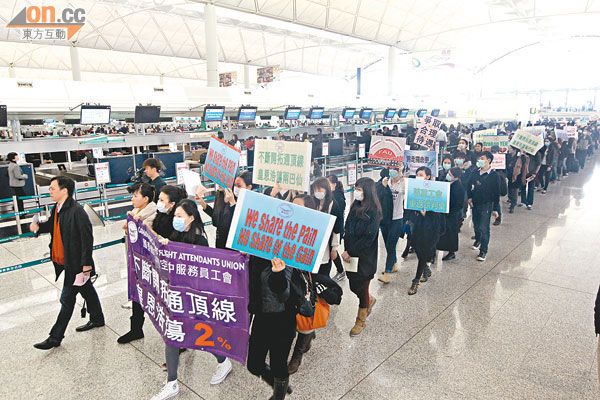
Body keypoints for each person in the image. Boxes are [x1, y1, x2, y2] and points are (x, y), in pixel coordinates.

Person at [151, 199, 232, 400]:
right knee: (172, 336)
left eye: (179, 216)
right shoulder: (176, 234)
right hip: (177, 294)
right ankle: (172, 382)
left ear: (191, 218)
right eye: (175, 216)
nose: (176, 220)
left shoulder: (199, 240)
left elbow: (204, 272)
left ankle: (223, 360)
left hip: (193, 298)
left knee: (202, 335)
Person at [31, 176, 105, 350]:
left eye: (52, 188)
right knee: (86, 289)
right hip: (65, 259)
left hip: (76, 263)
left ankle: (55, 338)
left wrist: (86, 264)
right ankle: (97, 318)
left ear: (64, 190)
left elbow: (87, 238)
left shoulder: (77, 211)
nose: (50, 191)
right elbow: (52, 226)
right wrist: (38, 228)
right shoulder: (57, 208)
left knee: (67, 299)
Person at [247, 199, 310, 399]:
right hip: (262, 315)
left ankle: (279, 393)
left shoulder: (287, 255)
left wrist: (277, 273)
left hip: (283, 319)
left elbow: (283, 295)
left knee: (278, 365)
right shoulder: (256, 252)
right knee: (254, 364)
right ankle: (279, 384)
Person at [117, 183, 158, 344]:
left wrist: (137, 224)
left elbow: (151, 236)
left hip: (151, 264)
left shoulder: (153, 214)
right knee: (137, 295)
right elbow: (127, 230)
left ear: (146, 199)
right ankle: (136, 329)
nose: (132, 199)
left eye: (135, 196)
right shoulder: (135, 212)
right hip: (137, 262)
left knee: (158, 299)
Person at [341, 177, 382, 336]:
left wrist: (351, 251)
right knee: (353, 286)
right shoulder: (355, 206)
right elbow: (348, 228)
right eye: (356, 188)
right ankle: (369, 300)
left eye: (359, 189)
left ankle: (361, 320)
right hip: (350, 254)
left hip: (364, 257)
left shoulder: (374, 211)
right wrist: (346, 249)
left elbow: (368, 237)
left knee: (363, 287)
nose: (357, 192)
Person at [407, 167, 445, 295]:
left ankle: (416, 280)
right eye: (417, 174)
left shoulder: (435, 189)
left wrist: (426, 214)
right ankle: (426, 269)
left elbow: (439, 213)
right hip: (417, 225)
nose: (418, 176)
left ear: (428, 176)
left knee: (423, 253)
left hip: (430, 228)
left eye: (421, 174)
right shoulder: (414, 188)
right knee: (417, 249)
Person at [197, 171, 253, 249]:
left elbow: (239, 222)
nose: (219, 184)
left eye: (238, 186)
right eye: (217, 181)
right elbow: (216, 216)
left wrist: (232, 202)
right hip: (220, 239)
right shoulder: (219, 195)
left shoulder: (240, 199)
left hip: (233, 242)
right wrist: (202, 202)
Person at [467, 151, 501, 262]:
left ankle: (483, 250)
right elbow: (468, 185)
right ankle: (478, 240)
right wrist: (469, 197)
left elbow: (497, 193)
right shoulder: (475, 172)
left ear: (489, 160)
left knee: (484, 227)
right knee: (476, 224)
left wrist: (496, 208)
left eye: (482, 158)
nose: (479, 161)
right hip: (475, 203)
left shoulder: (494, 175)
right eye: (479, 158)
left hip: (487, 204)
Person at [377, 166, 405, 284]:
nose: (393, 172)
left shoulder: (403, 184)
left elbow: (407, 195)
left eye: (396, 170)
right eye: (391, 169)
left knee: (390, 244)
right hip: (384, 219)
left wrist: (403, 177)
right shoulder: (384, 182)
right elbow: (377, 197)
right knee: (388, 245)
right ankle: (393, 264)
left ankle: (387, 273)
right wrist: (382, 187)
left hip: (397, 218)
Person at [312, 178, 344, 278]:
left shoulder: (333, 205)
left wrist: (334, 248)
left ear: (326, 189)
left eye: (320, 190)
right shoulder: (312, 202)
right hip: (313, 242)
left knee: (324, 270)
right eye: (315, 190)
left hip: (327, 243)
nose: (317, 193)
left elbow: (337, 228)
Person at [437, 167, 466, 261]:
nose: (447, 175)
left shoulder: (459, 187)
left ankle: (451, 252)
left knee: (451, 233)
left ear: (455, 176)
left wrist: (451, 211)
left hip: (452, 214)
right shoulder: (446, 182)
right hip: (443, 212)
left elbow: (459, 203)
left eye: (450, 174)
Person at [327, 175, 347, 282]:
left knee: (332, 251)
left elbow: (337, 215)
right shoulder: (332, 195)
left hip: (336, 229)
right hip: (331, 228)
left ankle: (340, 271)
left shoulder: (338, 197)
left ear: (334, 184)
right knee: (331, 250)